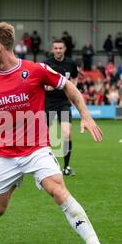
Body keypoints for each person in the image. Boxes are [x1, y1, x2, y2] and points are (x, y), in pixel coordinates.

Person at [0, 22, 109, 244]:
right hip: (5, 155)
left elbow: (70, 88)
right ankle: (15, 180)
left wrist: (85, 115)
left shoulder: (36, 70)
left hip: (37, 149)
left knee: (58, 190)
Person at [44, 39, 79, 176]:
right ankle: (47, 166)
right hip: (48, 103)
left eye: (60, 48)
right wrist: (48, 87)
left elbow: (75, 77)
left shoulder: (70, 63)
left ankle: (67, 167)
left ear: (64, 49)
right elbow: (41, 83)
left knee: (66, 133)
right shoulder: (47, 64)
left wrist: (73, 89)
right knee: (44, 136)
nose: (58, 50)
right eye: (56, 48)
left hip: (63, 103)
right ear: (52, 50)